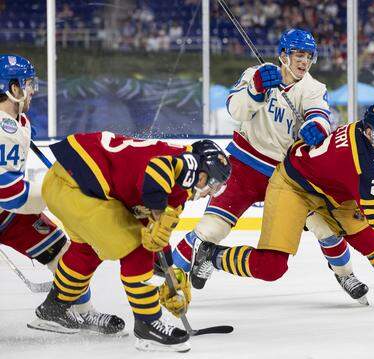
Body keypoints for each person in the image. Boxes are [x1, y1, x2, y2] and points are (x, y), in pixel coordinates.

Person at [174, 28, 369, 304]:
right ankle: (171, 273)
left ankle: (345, 274)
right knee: (210, 230)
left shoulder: (314, 88)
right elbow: (235, 110)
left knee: (326, 226)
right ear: (283, 55)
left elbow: (320, 116)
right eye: (298, 54)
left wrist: (316, 127)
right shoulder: (257, 73)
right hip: (243, 165)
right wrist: (255, 88)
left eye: (309, 56)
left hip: (288, 175)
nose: (304, 61)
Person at [191, 103, 374, 308]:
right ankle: (212, 255)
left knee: (366, 239)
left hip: (332, 190)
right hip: (294, 185)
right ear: (369, 132)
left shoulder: (367, 136)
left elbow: (365, 196)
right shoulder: (365, 161)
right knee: (271, 267)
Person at [31, 133, 231, 353]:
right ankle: (148, 326)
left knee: (88, 249)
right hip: (76, 187)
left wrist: (170, 276)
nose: (211, 192)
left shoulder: (179, 183)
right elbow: (158, 169)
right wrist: (157, 211)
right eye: (213, 183)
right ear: (201, 172)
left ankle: (53, 309)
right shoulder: (187, 166)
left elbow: (157, 235)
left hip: (67, 184)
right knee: (136, 247)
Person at [0, 54, 124, 335]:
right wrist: (60, 195)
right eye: (27, 84)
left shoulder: (18, 120)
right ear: (12, 87)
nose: (32, 90)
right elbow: (8, 192)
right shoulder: (2, 128)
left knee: (63, 252)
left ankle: (83, 314)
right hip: (8, 205)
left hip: (9, 215)